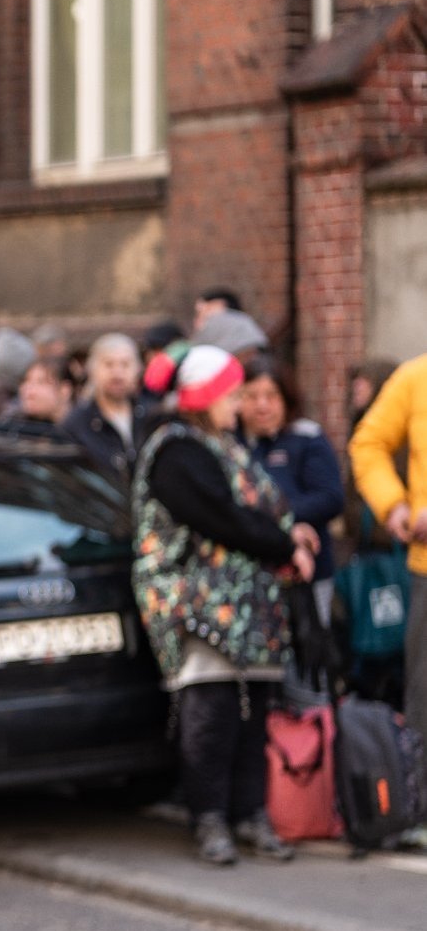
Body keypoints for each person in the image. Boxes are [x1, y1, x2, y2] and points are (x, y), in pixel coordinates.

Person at [133, 344, 309, 866]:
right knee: (212, 712)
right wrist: (283, 546)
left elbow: (255, 508)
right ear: (205, 397)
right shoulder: (177, 450)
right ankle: (209, 817)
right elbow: (219, 516)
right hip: (198, 606)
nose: (238, 405)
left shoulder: (222, 443)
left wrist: (288, 532)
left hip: (247, 606)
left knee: (254, 711)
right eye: (231, 394)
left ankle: (250, 812)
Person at [349, 350, 427, 762]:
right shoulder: (416, 378)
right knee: (424, 696)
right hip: (426, 570)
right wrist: (394, 505)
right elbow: (368, 443)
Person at [240, 358, 344, 642]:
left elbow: (330, 498)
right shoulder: (232, 444)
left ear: (286, 398)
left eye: (271, 396)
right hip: (251, 573)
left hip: (307, 571)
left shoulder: (306, 438)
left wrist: (276, 517)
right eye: (252, 396)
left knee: (309, 652)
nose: (262, 405)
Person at [61, 333, 154, 478]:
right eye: (108, 364)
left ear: (138, 369)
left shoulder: (151, 416)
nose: (117, 373)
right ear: (92, 369)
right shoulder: (77, 425)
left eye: (125, 364)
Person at [0, 356, 75, 431]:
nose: (27, 388)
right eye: (26, 380)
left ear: (65, 390)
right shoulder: (14, 424)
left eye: (41, 382)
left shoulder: (81, 430)